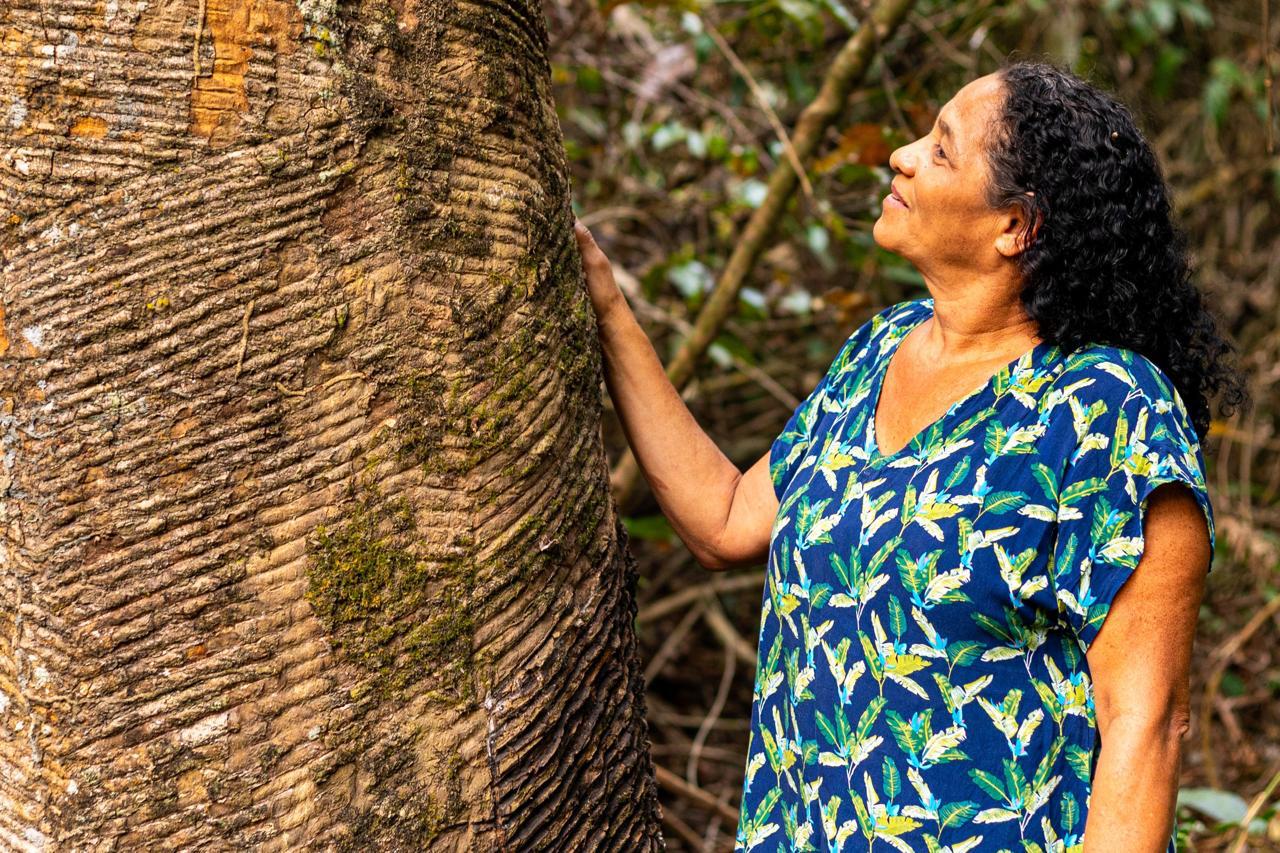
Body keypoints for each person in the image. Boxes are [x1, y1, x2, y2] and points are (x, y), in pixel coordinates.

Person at [575, 58, 1248, 853]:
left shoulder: (1109, 411)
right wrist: (610, 312)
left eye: (941, 149)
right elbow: (724, 518)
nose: (900, 154)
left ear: (1015, 227)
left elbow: (1147, 726)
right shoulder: (880, 350)